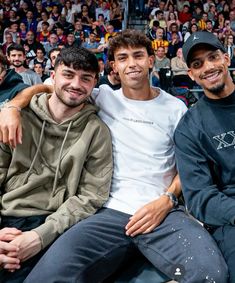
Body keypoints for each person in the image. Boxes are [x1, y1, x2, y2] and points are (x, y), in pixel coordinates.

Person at [1, 29, 224, 283]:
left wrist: (167, 200)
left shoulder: (176, 108)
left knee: (212, 274)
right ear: (114, 67)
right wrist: (12, 106)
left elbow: (189, 165)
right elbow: (48, 87)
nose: (132, 64)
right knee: (46, 277)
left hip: (161, 212)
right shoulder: (101, 95)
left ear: (151, 60)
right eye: (123, 58)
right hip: (108, 212)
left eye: (138, 56)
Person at [0, 46, 113, 282]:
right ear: (52, 76)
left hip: (59, 224)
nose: (76, 84)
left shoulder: (97, 131)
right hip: (8, 219)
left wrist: (40, 236)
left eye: (85, 78)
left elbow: (91, 196)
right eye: (68, 74)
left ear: (94, 84)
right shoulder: (16, 117)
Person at [174, 30, 235, 283]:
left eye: (213, 57)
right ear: (191, 74)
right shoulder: (189, 127)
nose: (208, 67)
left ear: (226, 59)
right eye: (197, 64)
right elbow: (200, 197)